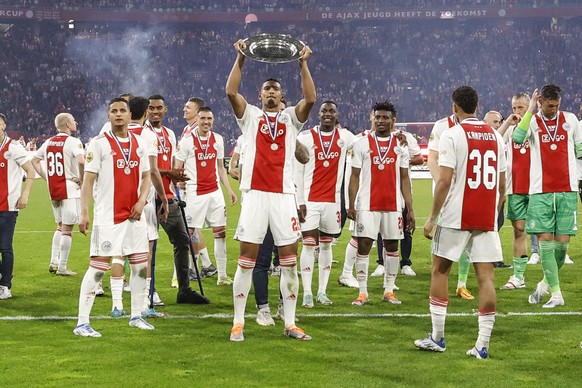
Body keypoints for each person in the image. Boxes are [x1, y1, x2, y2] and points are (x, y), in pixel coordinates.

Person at [225, 38, 315, 341]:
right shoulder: (249, 115)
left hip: (283, 196)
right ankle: (238, 321)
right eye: (267, 88)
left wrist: (303, 63)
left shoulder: (291, 119)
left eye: (276, 88)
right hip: (254, 195)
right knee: (246, 261)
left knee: (289, 262)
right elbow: (230, 91)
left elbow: (311, 99)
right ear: (260, 95)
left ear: (282, 95)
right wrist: (240, 58)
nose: (271, 91)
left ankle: (290, 323)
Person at [414, 86, 506, 359]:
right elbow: (502, 184)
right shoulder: (496, 137)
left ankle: (438, 338)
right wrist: (495, 209)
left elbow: (444, 180)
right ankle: (482, 345)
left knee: (440, 271)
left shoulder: (452, 134)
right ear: (477, 106)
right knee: (486, 277)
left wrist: (432, 217)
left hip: (456, 214)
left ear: (455, 107)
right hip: (485, 216)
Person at [73, 97, 154, 336]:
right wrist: (84, 212)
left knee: (140, 266)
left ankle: (136, 315)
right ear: (108, 116)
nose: (118, 114)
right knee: (98, 269)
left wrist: (141, 201)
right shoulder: (98, 144)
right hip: (108, 217)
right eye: (113, 111)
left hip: (134, 217)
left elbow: (147, 177)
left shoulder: (139, 143)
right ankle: (82, 322)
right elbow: (88, 181)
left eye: (122, 111)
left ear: (130, 116)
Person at [514, 85, 582, 308]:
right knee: (545, 243)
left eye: (557, 106)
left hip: (567, 191)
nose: (553, 109)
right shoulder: (532, 121)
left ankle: (544, 284)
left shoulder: (571, 120)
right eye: (549, 105)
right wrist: (531, 109)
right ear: (541, 101)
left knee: (562, 246)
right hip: (540, 193)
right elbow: (517, 137)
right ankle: (556, 294)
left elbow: (580, 150)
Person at [347, 101, 415, 306]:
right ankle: (362, 292)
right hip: (367, 204)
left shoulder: (401, 145)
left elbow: (405, 179)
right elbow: (354, 176)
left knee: (392, 246)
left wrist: (409, 209)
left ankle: (388, 290)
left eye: (385, 117)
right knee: (364, 245)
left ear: (393, 120)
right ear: (373, 118)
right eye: (377, 117)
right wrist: (351, 203)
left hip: (393, 204)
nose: (380, 121)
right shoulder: (361, 144)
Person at [144, 94, 209, 305]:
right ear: (146, 111)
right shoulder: (142, 134)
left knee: (183, 241)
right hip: (147, 197)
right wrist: (171, 171)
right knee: (147, 247)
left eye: (159, 108)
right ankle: (147, 291)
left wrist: (176, 176)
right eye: (151, 108)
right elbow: (147, 168)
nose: (155, 111)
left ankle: (184, 291)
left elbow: (171, 164)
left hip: (168, 196)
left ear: (165, 110)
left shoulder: (170, 134)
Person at [295, 100, 357, 308]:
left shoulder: (346, 137)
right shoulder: (305, 137)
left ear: (337, 115)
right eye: (324, 111)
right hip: (310, 202)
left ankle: (322, 291)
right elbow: (298, 171)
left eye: (332, 111)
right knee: (308, 246)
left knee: (326, 246)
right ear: (318, 114)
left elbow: (367, 142)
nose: (328, 114)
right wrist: (300, 200)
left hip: (332, 203)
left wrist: (396, 136)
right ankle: (307, 293)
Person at [175, 106, 238, 286]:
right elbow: (177, 165)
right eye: (203, 119)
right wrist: (179, 180)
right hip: (194, 192)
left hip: (214, 192)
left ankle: (222, 276)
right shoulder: (187, 140)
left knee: (221, 233)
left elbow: (220, 168)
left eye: (209, 119)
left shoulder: (218, 139)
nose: (206, 122)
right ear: (198, 119)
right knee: (190, 234)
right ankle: (185, 274)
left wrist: (229, 190)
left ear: (213, 120)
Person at [126, 96, 169, 314]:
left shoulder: (115, 134)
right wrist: (163, 196)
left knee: (121, 250)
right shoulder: (148, 134)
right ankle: (146, 300)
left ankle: (117, 300)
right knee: (147, 250)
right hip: (144, 201)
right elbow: (153, 171)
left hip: (120, 200)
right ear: (145, 114)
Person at [427, 106, 475, 300]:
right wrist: (444, 187)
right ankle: (435, 283)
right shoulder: (441, 126)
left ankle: (461, 284)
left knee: (466, 241)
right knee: (439, 242)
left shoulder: (475, 129)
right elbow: (432, 159)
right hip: (445, 195)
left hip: (467, 194)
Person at [31, 113, 85, 276]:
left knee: (59, 226)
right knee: (67, 229)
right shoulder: (74, 142)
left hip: (53, 188)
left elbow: (34, 160)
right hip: (69, 187)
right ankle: (62, 267)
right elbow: (82, 161)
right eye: (73, 121)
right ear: (68, 124)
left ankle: (54, 261)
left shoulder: (48, 142)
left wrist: (47, 178)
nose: (75, 122)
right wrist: (82, 179)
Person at [0, 113, 35, 300]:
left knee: (5, 247)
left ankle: (5, 286)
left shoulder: (13, 147)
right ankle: (3, 274)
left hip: (8, 206)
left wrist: (25, 194)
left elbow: (30, 170)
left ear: (4, 125)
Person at [483, 110, 512, 270]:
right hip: (486, 192)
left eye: (499, 122)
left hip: (497, 191)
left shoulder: (500, 140)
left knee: (497, 223)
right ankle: (489, 259)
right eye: (495, 122)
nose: (498, 124)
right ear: (485, 123)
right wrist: (507, 123)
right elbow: (496, 137)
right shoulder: (488, 138)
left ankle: (491, 258)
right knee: (491, 225)